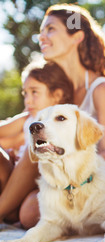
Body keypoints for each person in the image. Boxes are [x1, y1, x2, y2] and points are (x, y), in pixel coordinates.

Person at [0, 4, 105, 228]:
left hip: (93, 181)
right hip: (57, 173)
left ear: (77, 37)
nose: (42, 37)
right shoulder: (58, 90)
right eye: (42, 31)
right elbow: (18, 127)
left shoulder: (101, 89)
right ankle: (8, 209)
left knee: (29, 210)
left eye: (50, 29)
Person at [0, 59, 73, 224]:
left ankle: (4, 210)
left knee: (29, 213)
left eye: (35, 92)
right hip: (15, 184)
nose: (28, 100)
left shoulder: (60, 121)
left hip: (40, 184)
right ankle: (8, 209)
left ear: (57, 95)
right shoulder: (28, 117)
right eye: (25, 93)